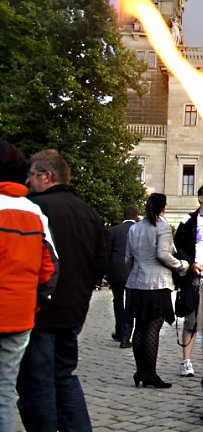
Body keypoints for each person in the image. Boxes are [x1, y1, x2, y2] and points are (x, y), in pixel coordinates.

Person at [17, 149, 106, 432]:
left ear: (46, 175)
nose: (28, 181)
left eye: (31, 175)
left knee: (37, 381)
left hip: (40, 308)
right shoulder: (88, 212)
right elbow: (99, 264)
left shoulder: (33, 208)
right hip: (74, 309)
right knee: (64, 375)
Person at [0, 142, 58, 432]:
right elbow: (49, 269)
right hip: (20, 318)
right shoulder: (33, 212)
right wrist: (32, 304)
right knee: (4, 393)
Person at [125, 193, 190, 389]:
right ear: (164, 207)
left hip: (136, 283)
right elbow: (162, 254)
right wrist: (181, 265)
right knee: (153, 326)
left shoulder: (134, 227)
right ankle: (150, 373)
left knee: (139, 327)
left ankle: (140, 370)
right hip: (157, 283)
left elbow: (128, 259)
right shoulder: (161, 227)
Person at [174, 186, 203, 377]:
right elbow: (177, 245)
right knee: (192, 320)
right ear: (201, 198)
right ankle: (186, 361)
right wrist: (191, 263)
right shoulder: (189, 220)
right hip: (195, 277)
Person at [106, 205, 139, 348]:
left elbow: (107, 252)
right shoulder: (139, 230)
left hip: (116, 271)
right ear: (136, 216)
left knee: (118, 301)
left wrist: (107, 271)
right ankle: (126, 334)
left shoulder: (114, 230)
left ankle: (119, 330)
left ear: (123, 216)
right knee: (131, 303)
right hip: (133, 271)